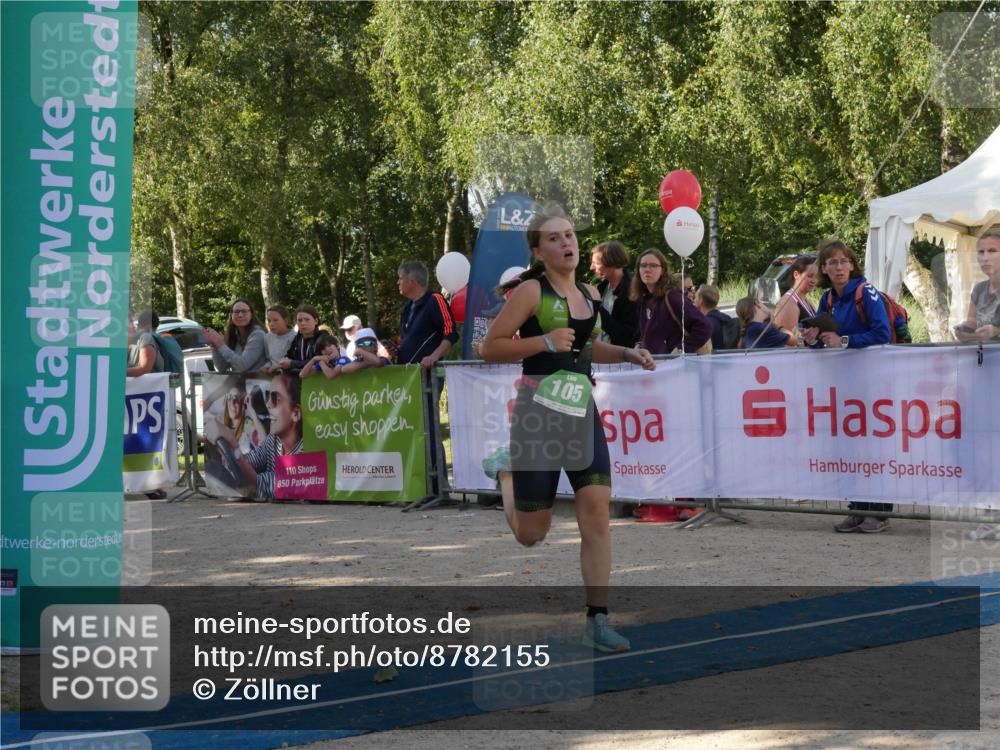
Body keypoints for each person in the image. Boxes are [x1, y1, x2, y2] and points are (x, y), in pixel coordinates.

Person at [481, 206, 656, 654]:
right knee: (531, 534)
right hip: (537, 413)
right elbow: (489, 347)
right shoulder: (529, 292)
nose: (567, 243)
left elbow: (587, 348)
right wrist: (541, 342)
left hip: (579, 412)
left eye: (570, 236)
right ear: (539, 251)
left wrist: (628, 354)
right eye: (555, 239)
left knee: (596, 512)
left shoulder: (588, 295)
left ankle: (597, 620)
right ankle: (506, 475)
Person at [803, 239, 892, 534]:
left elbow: (882, 333)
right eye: (832, 262)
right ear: (824, 269)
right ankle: (857, 508)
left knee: (872, 447)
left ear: (852, 264)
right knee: (849, 447)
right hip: (843, 384)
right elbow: (821, 343)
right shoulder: (827, 299)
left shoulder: (865, 292)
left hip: (872, 382)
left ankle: (878, 513)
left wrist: (844, 342)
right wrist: (812, 338)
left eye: (843, 261)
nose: (839, 267)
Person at [205, 372, 303, 502]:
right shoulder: (274, 440)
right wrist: (229, 456)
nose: (268, 404)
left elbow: (262, 485)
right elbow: (252, 461)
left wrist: (234, 446)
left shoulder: (304, 452)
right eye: (268, 396)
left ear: (295, 413)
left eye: (275, 398)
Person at [634, 249, 713, 355]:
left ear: (662, 270)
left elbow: (704, 326)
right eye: (643, 265)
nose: (647, 269)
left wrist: (681, 349)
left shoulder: (672, 296)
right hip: (653, 366)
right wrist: (640, 345)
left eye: (653, 265)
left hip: (673, 367)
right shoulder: (644, 299)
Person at [397, 261, 459, 367]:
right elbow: (407, 341)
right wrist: (395, 350)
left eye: (400, 278)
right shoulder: (406, 308)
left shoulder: (435, 300)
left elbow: (451, 333)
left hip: (428, 376)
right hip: (406, 377)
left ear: (412, 281)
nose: (398, 282)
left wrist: (434, 356)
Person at [590, 241, 639, 346]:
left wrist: (597, 307)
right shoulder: (602, 288)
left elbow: (627, 336)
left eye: (597, 263)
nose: (591, 268)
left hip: (622, 358)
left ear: (613, 263)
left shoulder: (632, 291)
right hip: (600, 355)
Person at [955, 229, 1000, 344]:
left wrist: (996, 331)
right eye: (981, 252)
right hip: (983, 357)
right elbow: (972, 323)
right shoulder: (978, 289)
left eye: (992, 251)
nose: (985, 258)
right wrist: (964, 329)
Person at [204, 299, 268, 373]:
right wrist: (215, 346)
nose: (240, 315)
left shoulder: (258, 334)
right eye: (236, 312)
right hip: (239, 383)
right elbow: (222, 367)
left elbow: (242, 365)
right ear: (231, 316)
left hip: (258, 383)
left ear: (251, 315)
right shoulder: (234, 336)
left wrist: (220, 345)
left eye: (244, 311)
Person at [772, 255, 819, 334]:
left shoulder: (809, 302)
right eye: (810, 276)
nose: (814, 280)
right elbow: (788, 342)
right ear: (796, 275)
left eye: (816, 276)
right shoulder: (788, 303)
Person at [278, 304, 322, 373]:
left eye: (307, 320)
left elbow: (318, 361)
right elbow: (289, 356)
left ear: (316, 321)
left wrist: (292, 364)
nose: (303, 323)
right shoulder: (297, 338)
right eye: (300, 320)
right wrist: (283, 362)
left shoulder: (323, 338)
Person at [695, 284, 735, 351]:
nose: (694, 301)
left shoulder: (704, 324)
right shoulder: (727, 318)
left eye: (695, 298)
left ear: (701, 300)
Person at [263, 305, 296, 372]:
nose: (271, 324)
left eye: (275, 320)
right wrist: (267, 366)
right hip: (271, 375)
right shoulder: (267, 337)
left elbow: (296, 361)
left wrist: (277, 367)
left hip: (289, 374)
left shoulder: (295, 337)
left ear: (285, 321)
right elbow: (268, 359)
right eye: (269, 321)